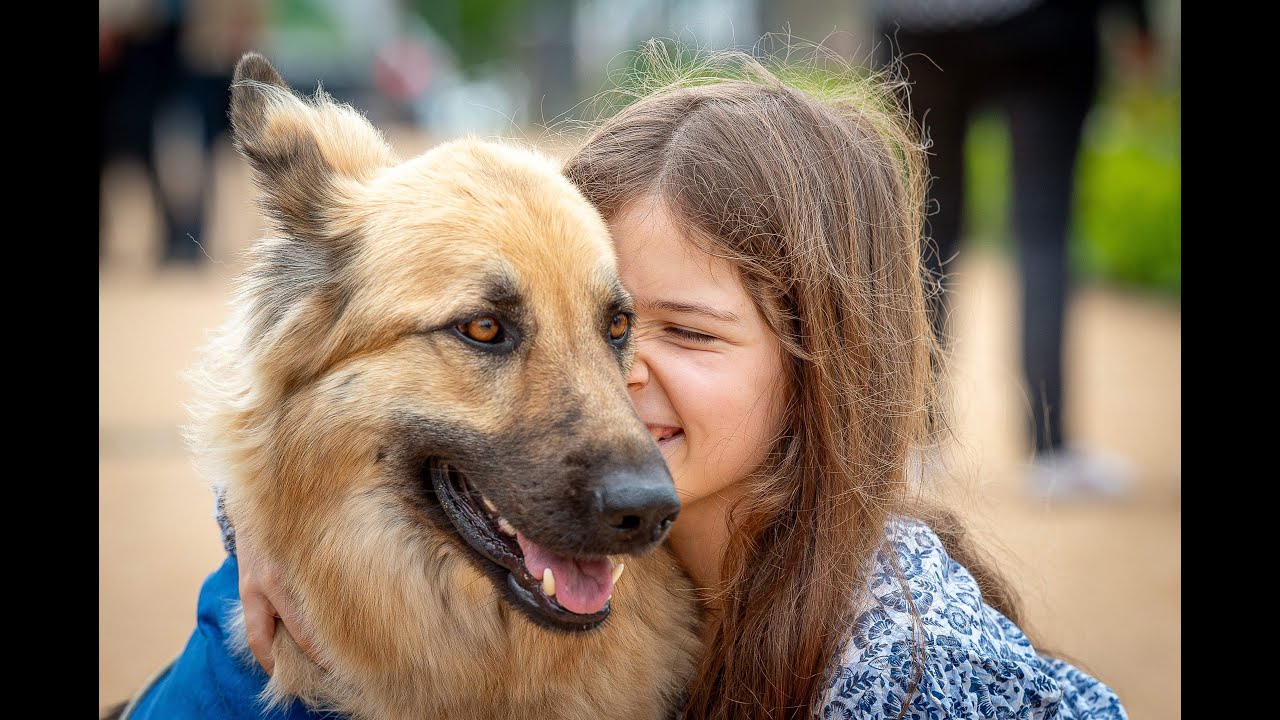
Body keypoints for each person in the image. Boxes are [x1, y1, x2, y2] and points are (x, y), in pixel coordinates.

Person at [223, 43, 1127, 719]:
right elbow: (282, 400)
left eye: (686, 331)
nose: (616, 381)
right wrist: (255, 521)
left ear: (826, 365)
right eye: (490, 329)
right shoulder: (614, 543)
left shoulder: (908, 661)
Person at [871, 0, 1156, 497]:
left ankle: (915, 443)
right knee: (1044, 228)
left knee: (926, 225)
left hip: (918, 20)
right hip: (1039, 21)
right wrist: (1137, 22)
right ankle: (1050, 450)